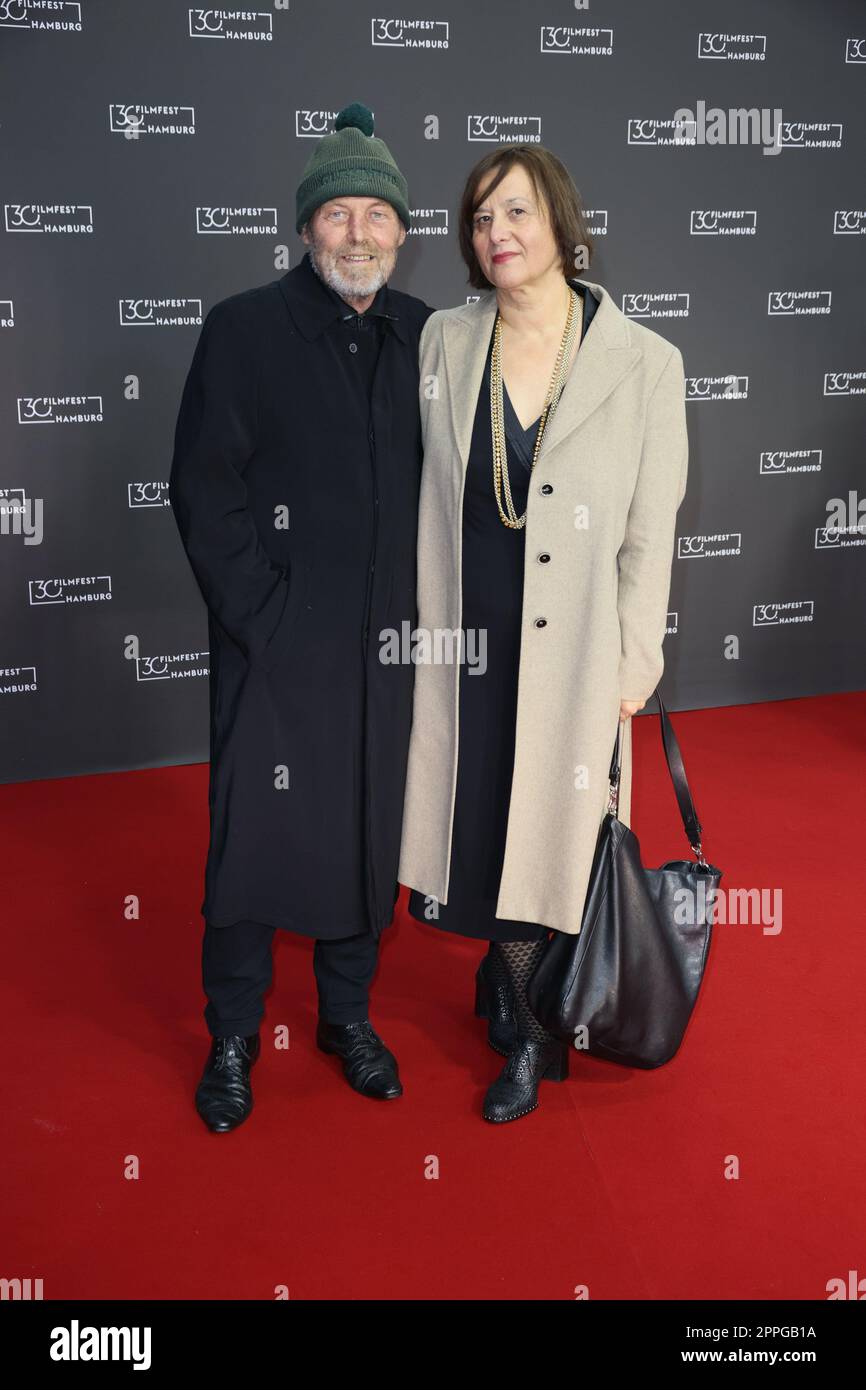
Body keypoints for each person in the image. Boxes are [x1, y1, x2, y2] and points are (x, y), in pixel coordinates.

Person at [398, 144, 689, 1123]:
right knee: (481, 816)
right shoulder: (442, 339)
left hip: (571, 650)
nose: (497, 235)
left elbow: (650, 533)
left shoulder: (643, 362)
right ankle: (499, 975)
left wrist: (633, 660)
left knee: (550, 834)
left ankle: (529, 1035)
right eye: (480, 220)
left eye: (515, 213)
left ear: (562, 224)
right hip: (464, 634)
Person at [169, 103, 433, 1133]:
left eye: (377, 215)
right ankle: (232, 1032)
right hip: (272, 648)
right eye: (338, 216)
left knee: (368, 833)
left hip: (387, 648)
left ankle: (344, 1019)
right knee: (251, 842)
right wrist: (263, 620)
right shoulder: (244, 328)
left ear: (400, 233)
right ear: (305, 228)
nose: (359, 234)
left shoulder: (427, 335)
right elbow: (204, 487)